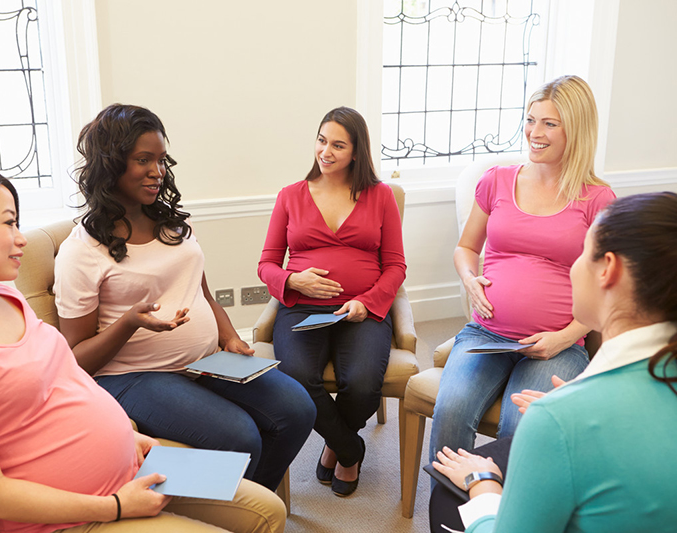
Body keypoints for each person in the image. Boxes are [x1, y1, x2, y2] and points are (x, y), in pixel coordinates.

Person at [0, 162, 286, 533]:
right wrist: (117, 505)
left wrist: (127, 438)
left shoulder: (2, 297)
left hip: (131, 468)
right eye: (9, 223)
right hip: (76, 515)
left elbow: (64, 383)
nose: (21, 238)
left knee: (268, 510)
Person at [53, 104, 315, 493]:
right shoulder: (82, 251)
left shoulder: (174, 226)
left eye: (161, 160)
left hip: (205, 360)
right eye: (143, 160)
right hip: (132, 377)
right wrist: (129, 323)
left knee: (298, 408)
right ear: (111, 164)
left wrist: (229, 336)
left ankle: (252, 510)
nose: (157, 171)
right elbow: (74, 360)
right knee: (240, 436)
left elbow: (203, 293)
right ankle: (235, 509)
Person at [431, 191, 677, 532]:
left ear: (608, 269)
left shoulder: (560, 421)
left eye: (581, 253)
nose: (572, 268)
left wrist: (482, 482)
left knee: (446, 502)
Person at [428, 75, 616, 463]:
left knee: (522, 431)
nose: (535, 132)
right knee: (450, 414)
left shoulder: (598, 199)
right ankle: (452, 522)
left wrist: (565, 338)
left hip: (554, 346)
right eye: (531, 120)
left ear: (576, 130)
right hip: (486, 333)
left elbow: (609, 291)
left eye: (550, 123)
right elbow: (466, 248)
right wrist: (469, 278)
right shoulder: (496, 181)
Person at [258, 106, 406, 497]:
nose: (326, 151)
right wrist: (294, 280)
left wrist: (368, 302)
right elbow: (267, 265)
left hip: (362, 310)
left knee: (360, 383)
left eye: (338, 145)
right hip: (303, 308)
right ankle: (349, 448)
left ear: (356, 152)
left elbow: (394, 266)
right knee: (294, 379)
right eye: (322, 141)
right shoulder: (291, 196)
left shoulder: (381, 196)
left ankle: (336, 443)